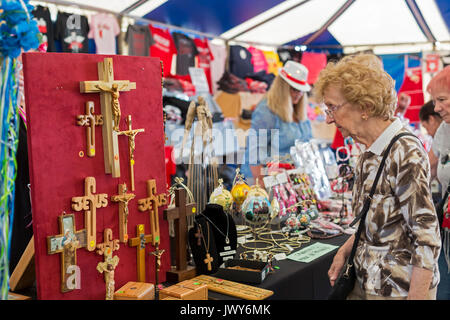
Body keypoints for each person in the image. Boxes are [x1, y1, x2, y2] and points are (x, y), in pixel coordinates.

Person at [315, 53, 441, 300]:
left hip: (400, 291)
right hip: (369, 282)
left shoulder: (405, 152)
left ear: (365, 108)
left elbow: (427, 238)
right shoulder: (369, 150)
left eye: (333, 107)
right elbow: (376, 222)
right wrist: (345, 250)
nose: (328, 118)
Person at [240, 61, 312, 183]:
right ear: (283, 88)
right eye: (295, 89)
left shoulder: (298, 110)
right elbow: (255, 151)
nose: (299, 94)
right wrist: (261, 186)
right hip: (265, 179)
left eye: (301, 90)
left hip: (288, 180)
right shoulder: (266, 111)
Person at [426, 66, 450, 300]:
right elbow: (427, 168)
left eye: (442, 99)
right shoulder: (444, 130)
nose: (436, 108)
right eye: (435, 101)